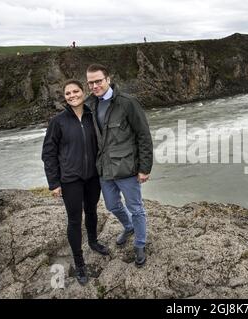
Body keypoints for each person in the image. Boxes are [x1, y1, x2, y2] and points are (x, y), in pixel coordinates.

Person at [42, 79, 110, 285]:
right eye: (68, 93)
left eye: (76, 91)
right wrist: (54, 183)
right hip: (70, 179)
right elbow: (48, 153)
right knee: (74, 220)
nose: (72, 95)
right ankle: (79, 262)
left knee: (92, 211)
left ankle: (93, 242)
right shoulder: (58, 121)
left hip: (92, 177)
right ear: (65, 97)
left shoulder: (93, 115)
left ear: (83, 92)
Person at [85, 63, 153, 267]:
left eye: (98, 81)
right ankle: (128, 227)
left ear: (108, 79)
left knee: (136, 208)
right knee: (112, 205)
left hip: (127, 167)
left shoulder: (127, 102)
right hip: (104, 169)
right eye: (91, 83)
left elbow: (143, 135)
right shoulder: (91, 104)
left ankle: (140, 244)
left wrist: (144, 168)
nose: (95, 86)